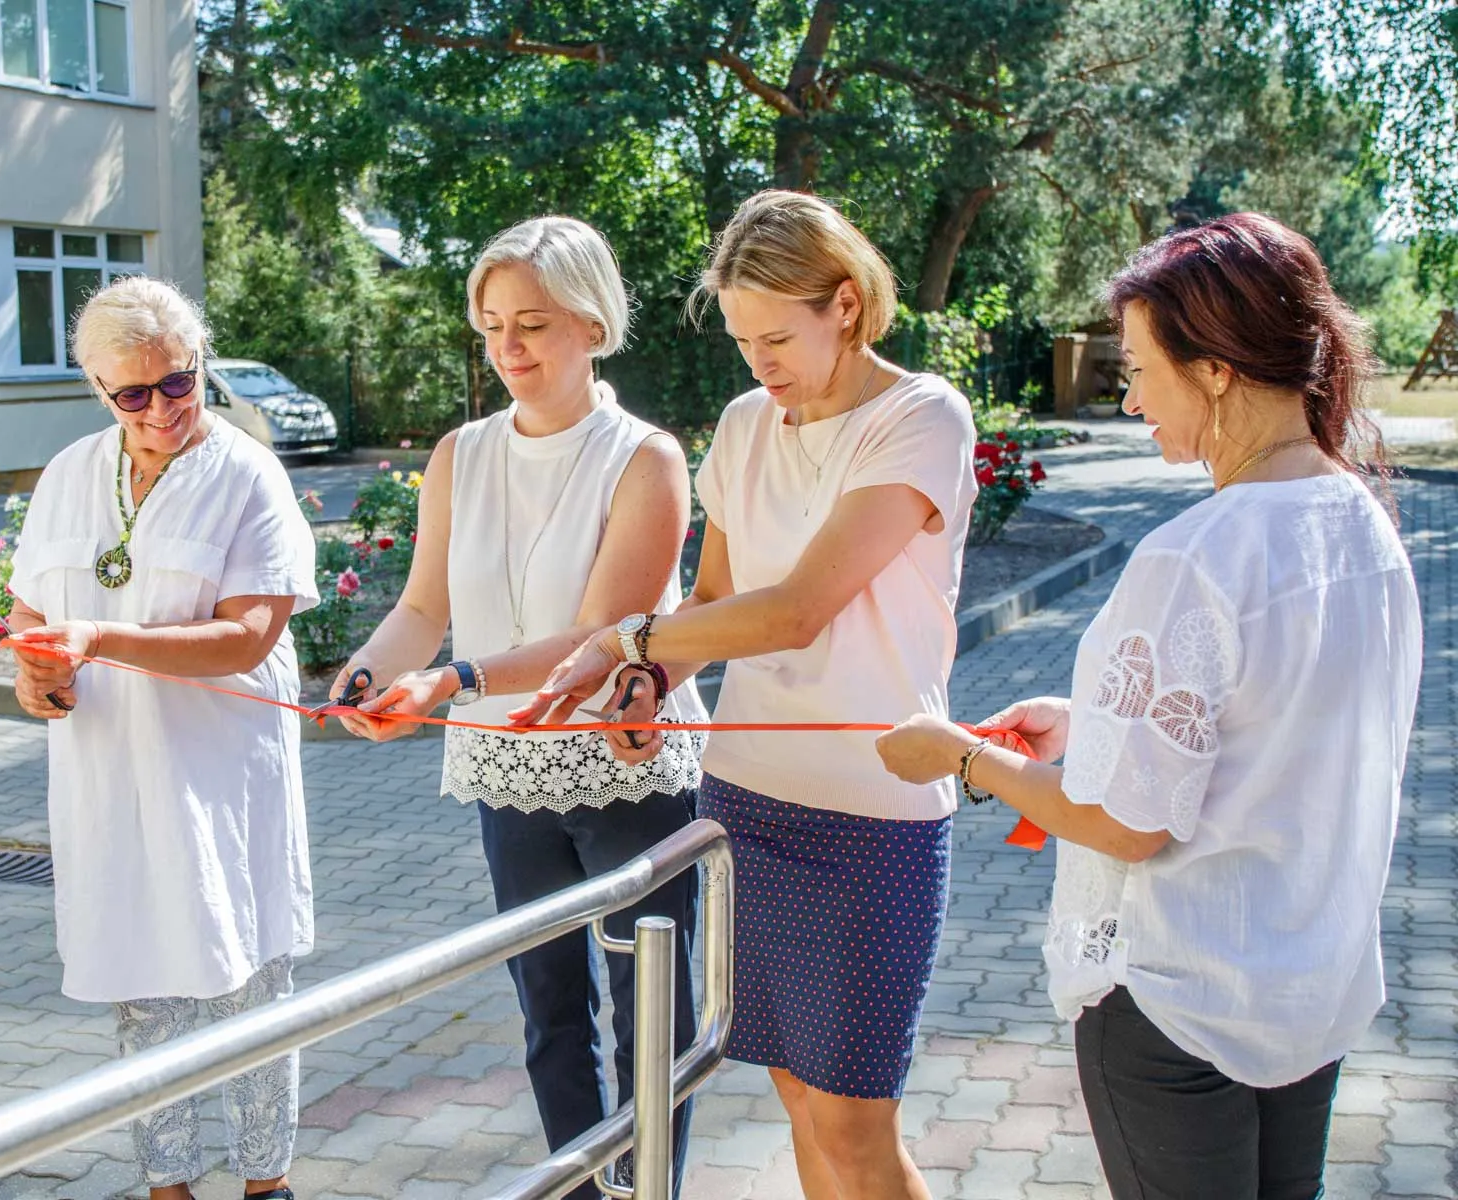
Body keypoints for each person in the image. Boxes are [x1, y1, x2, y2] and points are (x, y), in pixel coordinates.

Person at [876, 212, 1420, 1200]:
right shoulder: (1363, 521)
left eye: (1137, 371)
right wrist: (1091, 730)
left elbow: (1125, 826)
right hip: (1308, 985)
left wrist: (964, 759)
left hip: (1182, 1001)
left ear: (1213, 369)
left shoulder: (1197, 553)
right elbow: (1281, 736)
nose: (1129, 403)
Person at [514, 189, 978, 1200]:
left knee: (855, 1123)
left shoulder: (921, 416)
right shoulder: (745, 421)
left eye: (776, 335)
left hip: (873, 818)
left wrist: (627, 638)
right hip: (750, 804)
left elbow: (797, 610)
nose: (757, 362)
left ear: (845, 304)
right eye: (741, 339)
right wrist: (650, 682)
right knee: (801, 1103)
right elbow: (716, 599)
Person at [332, 216, 705, 1198]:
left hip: (628, 770)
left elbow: (596, 638)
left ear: (592, 321)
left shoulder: (646, 458)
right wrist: (370, 672)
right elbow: (421, 607)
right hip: (509, 772)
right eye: (491, 325)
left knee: (650, 1013)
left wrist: (450, 683)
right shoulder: (460, 454)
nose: (507, 348)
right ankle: (579, 1192)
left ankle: (649, 1189)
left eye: (531, 323)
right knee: (547, 1009)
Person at [6, 276, 317, 1200]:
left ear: (201, 367)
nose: (160, 410)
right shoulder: (68, 473)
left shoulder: (246, 472)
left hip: (220, 773)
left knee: (245, 981)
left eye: (177, 383)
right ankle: (166, 1187)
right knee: (141, 979)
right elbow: (30, 605)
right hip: (108, 772)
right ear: (97, 390)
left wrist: (98, 639)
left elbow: (247, 635)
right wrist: (39, 671)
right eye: (131, 394)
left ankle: (267, 1186)